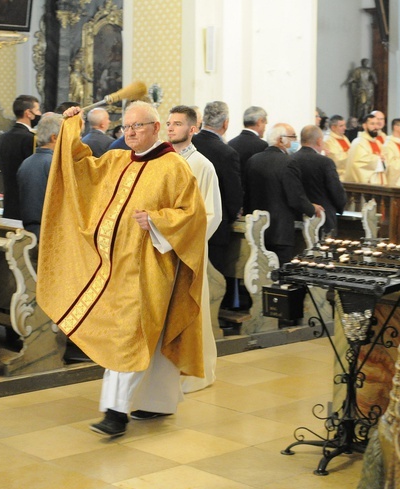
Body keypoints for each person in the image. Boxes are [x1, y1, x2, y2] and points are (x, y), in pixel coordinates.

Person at [37, 101, 206, 438]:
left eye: (137, 127)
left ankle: (115, 413)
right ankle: (158, 402)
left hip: (149, 268)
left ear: (155, 128)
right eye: (126, 127)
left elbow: (194, 216)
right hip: (113, 266)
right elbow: (80, 167)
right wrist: (72, 127)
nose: (129, 133)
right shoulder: (116, 160)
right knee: (142, 337)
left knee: (129, 335)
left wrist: (158, 221)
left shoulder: (175, 168)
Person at [165, 105, 222, 394]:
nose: (171, 128)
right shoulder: (162, 161)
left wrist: (184, 243)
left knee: (190, 311)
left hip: (188, 251)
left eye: (177, 123)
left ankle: (195, 372)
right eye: (169, 123)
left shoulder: (202, 165)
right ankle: (165, 372)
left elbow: (211, 214)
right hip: (160, 247)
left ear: (192, 129)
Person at [192, 101, 245, 310]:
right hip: (215, 226)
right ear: (225, 123)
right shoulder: (226, 153)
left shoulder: (188, 144)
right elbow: (233, 194)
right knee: (213, 277)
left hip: (187, 223)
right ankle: (214, 315)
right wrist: (232, 216)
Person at [246, 124, 323, 265]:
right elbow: (295, 197)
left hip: (257, 231)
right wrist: (312, 209)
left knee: (260, 274)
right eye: (293, 136)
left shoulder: (253, 160)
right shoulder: (288, 163)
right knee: (280, 276)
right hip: (280, 232)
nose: (295, 141)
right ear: (281, 140)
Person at [292, 125, 347, 237]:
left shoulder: (290, 159)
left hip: (296, 216)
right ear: (319, 141)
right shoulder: (325, 162)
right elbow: (336, 190)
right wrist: (340, 206)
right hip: (322, 217)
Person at [17, 113, 63, 240]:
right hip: (48, 231)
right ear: (54, 138)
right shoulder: (54, 164)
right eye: (63, 136)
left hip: (29, 229)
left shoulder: (26, 162)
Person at [0, 95, 41, 220]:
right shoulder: (30, 139)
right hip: (25, 206)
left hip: (9, 203)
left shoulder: (3, 137)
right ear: (28, 113)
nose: (39, 114)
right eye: (37, 110)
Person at [228, 105, 268, 215]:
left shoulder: (230, 143)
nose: (265, 127)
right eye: (265, 123)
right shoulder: (262, 146)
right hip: (255, 203)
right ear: (259, 121)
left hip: (234, 200)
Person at [344, 113, 385, 184]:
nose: (376, 127)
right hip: (366, 185)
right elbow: (358, 163)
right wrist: (377, 159)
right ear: (364, 126)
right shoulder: (358, 142)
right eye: (372, 124)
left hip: (379, 180)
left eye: (377, 124)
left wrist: (384, 160)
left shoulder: (378, 143)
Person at [323, 115, 350, 180]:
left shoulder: (344, 138)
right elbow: (335, 159)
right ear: (333, 127)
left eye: (344, 125)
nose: (345, 128)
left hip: (347, 174)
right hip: (336, 177)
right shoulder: (327, 140)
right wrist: (352, 157)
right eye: (341, 126)